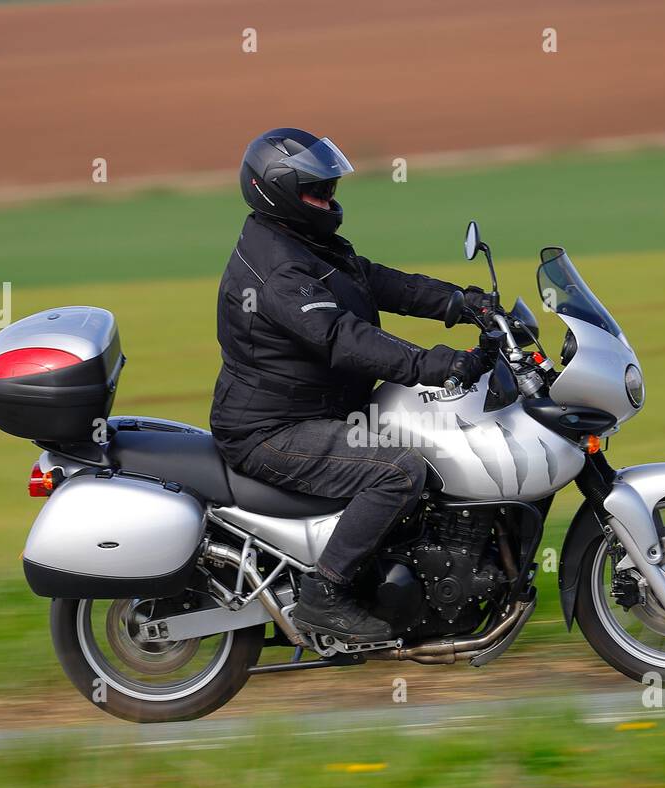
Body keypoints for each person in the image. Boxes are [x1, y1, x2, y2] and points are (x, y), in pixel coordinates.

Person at [211, 127, 493, 642]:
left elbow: (372, 280)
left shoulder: (299, 241)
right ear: (279, 191)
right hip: (272, 431)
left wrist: (460, 303)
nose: (329, 197)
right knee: (399, 472)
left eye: (330, 187)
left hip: (312, 411)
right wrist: (436, 364)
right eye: (317, 189)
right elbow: (342, 338)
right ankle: (326, 594)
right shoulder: (278, 271)